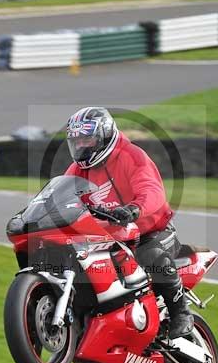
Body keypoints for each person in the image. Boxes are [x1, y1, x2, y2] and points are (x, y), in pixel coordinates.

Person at [64, 106, 194, 340]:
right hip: (110, 238)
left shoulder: (131, 156)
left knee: (150, 255)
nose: (81, 146)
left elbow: (152, 190)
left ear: (104, 135)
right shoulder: (77, 170)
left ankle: (181, 312)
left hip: (151, 231)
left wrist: (135, 209)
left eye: (87, 139)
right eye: (77, 141)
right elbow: (60, 197)